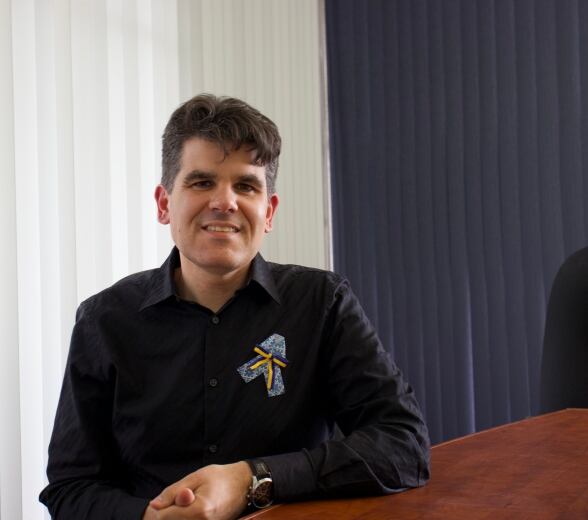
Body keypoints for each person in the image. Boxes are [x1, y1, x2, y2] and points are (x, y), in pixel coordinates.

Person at [39, 94, 430, 519]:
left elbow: (403, 445)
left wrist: (253, 479)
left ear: (269, 211)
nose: (225, 201)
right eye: (202, 181)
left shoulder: (322, 303)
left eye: (245, 185)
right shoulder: (104, 321)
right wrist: (148, 518)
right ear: (164, 203)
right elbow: (70, 489)